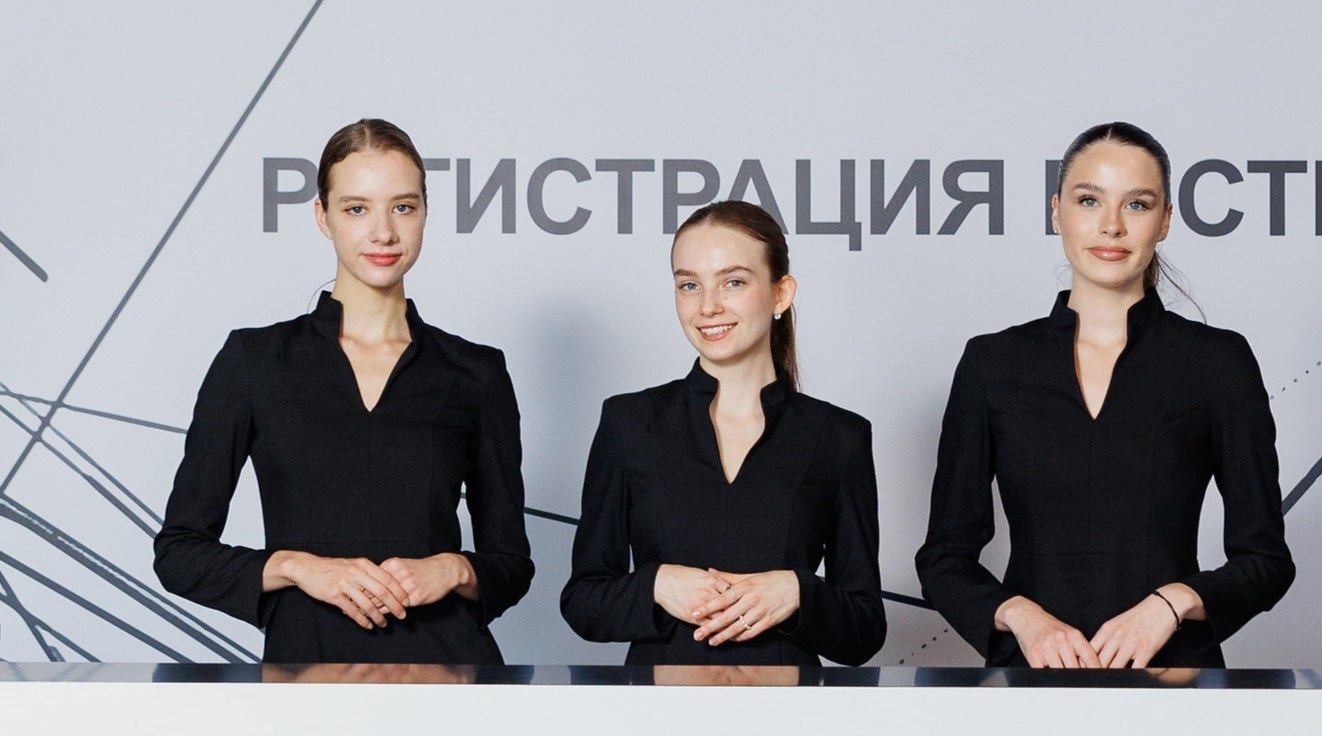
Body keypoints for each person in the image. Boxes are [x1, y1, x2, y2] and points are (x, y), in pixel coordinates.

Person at [915, 122, 1294, 668]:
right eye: (1089, 200)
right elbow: (944, 559)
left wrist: (1173, 602)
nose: (1111, 225)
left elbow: (1265, 559)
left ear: (1165, 221)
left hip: (1177, 683)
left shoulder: (1218, 362)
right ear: (1056, 212)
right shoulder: (991, 363)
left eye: (1137, 204)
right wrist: (1021, 617)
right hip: (1032, 682)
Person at [154, 119, 534, 664]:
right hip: (306, 670)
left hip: (450, 673)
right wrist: (297, 567)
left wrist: (453, 569)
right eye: (357, 208)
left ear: (425, 213)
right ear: (322, 216)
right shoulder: (255, 361)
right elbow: (179, 553)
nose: (383, 232)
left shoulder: (476, 372)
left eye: (403, 207)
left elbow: (511, 563)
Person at [560, 200, 886, 666]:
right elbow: (583, 601)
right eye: (689, 285)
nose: (708, 306)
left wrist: (797, 591)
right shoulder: (629, 422)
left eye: (734, 282)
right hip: (656, 702)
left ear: (781, 294)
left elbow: (864, 630)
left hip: (788, 703)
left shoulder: (839, 436)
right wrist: (656, 585)